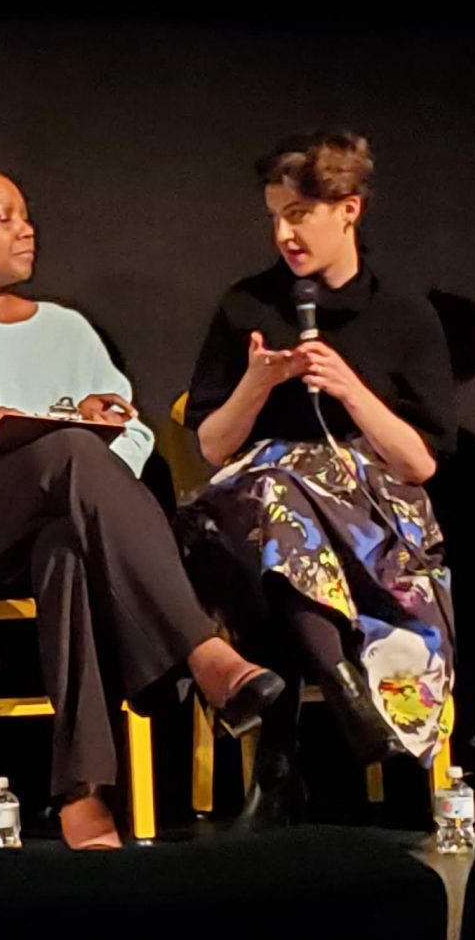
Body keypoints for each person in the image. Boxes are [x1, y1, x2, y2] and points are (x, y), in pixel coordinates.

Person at [0, 165, 283, 849]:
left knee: (65, 541)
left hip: (64, 521)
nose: (26, 228)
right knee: (67, 450)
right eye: (4, 216)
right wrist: (20, 432)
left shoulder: (66, 328)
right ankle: (201, 652)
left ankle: (84, 795)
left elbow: (134, 437)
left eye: (27, 214)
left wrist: (97, 429)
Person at [179, 131, 458, 829]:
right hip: (254, 518)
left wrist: (351, 389)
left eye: (299, 214)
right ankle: (343, 693)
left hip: (369, 519)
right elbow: (213, 445)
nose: (283, 233)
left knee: (286, 512)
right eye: (274, 215)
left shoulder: (403, 313)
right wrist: (254, 383)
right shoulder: (247, 306)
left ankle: (280, 765)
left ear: (349, 210)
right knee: (274, 488)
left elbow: (421, 463)